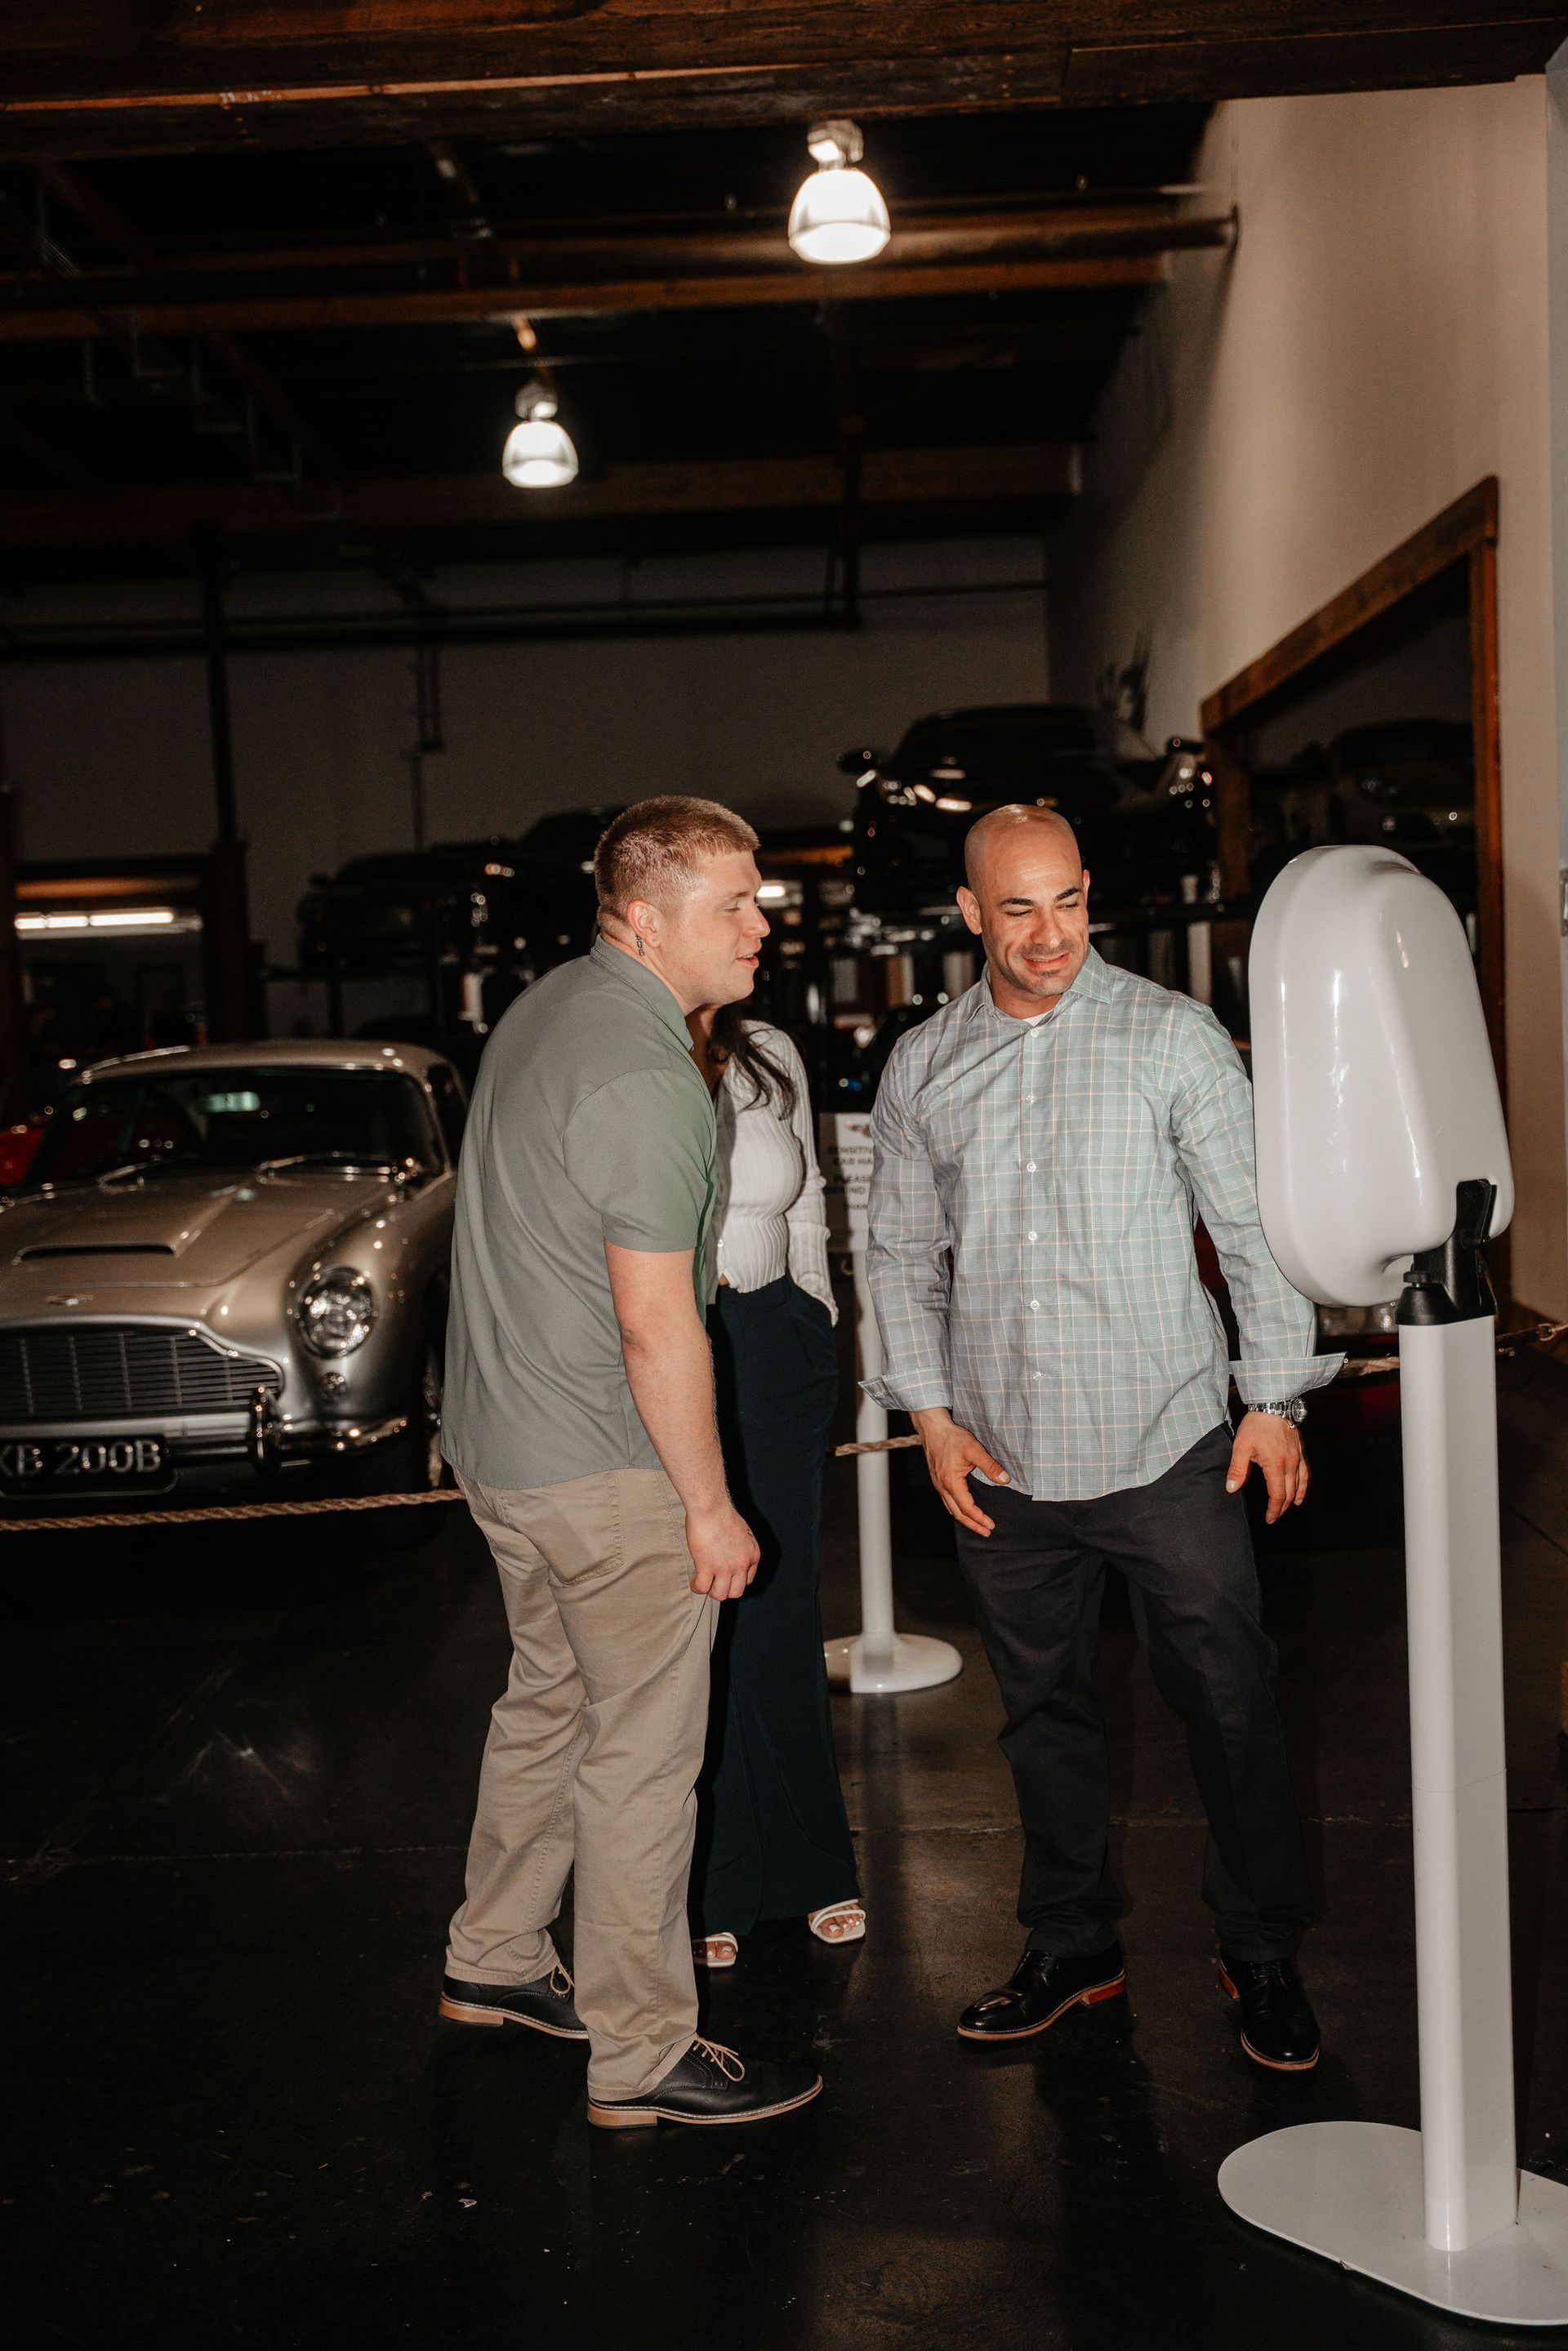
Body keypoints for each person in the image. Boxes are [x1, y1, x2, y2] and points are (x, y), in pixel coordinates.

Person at [865, 804, 1343, 2073]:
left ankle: (1260, 1948)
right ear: (969, 913)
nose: (1050, 932)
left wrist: (1274, 1399)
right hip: (1007, 1457)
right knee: (1042, 1713)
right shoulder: (924, 1064)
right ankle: (1074, 1943)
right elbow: (903, 1253)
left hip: (1170, 1440)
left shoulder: (1173, 1038)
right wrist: (928, 1415)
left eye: (1068, 899)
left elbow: (1251, 1229)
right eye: (1017, 908)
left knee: (1230, 1703)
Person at [437, 795, 822, 2131]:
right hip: (602, 1466)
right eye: (735, 902)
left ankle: (490, 1956)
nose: (762, 920)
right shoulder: (652, 1072)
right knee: (644, 1753)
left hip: (500, 1447)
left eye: (758, 895)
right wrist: (710, 1505)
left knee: (547, 1698)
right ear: (648, 918)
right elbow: (659, 1318)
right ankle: (641, 2050)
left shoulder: (550, 1009)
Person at [684, 999, 862, 1969]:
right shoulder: (617, 1043)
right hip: (670, 1354)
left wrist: (815, 1316)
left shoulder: (768, 1048)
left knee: (783, 1606)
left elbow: (804, 1196)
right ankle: (715, 1872)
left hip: (775, 1341)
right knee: (696, 1618)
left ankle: (811, 1863)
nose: (757, 927)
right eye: (736, 906)